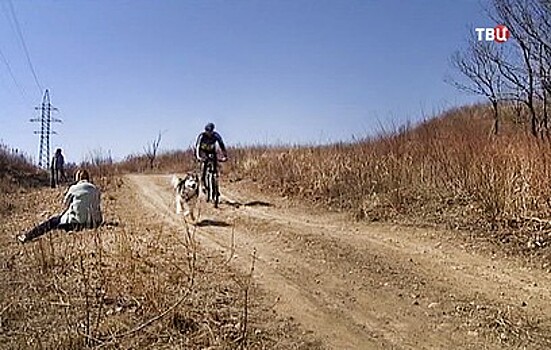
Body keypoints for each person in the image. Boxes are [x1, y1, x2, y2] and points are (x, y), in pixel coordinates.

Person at [17, 169, 103, 243]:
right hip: (93, 223)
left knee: (51, 222)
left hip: (74, 223)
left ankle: (27, 236)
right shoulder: (96, 189)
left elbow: (66, 203)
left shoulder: (73, 188)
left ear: (77, 179)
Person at [195, 122, 228, 192]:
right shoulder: (202, 136)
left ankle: (215, 179)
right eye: (207, 131)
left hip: (212, 151)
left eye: (210, 131)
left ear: (213, 130)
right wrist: (198, 156)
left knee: (215, 162)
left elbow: (222, 145)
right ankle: (203, 182)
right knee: (204, 164)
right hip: (203, 151)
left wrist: (224, 155)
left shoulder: (216, 136)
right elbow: (197, 146)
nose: (208, 133)